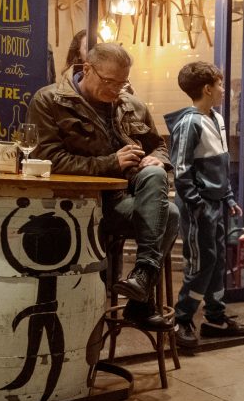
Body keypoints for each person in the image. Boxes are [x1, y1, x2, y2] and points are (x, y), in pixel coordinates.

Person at [28, 43, 179, 331]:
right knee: (170, 215)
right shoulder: (50, 100)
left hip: (125, 200)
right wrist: (111, 162)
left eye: (123, 82)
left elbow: (159, 146)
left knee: (156, 177)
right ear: (87, 69)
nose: (116, 90)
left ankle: (142, 277)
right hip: (79, 208)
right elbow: (47, 159)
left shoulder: (131, 104)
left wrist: (157, 159)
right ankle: (141, 302)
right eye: (110, 82)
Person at [164, 62, 244, 350]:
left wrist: (228, 198)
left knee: (218, 258)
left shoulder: (217, 118)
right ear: (207, 89)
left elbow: (220, 164)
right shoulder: (189, 122)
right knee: (202, 261)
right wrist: (197, 203)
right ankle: (182, 318)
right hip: (199, 207)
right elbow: (182, 168)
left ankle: (215, 318)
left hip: (216, 203)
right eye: (221, 85)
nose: (225, 90)